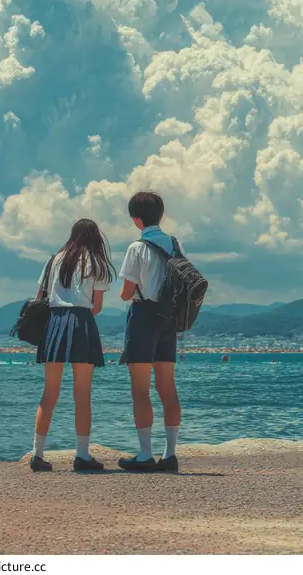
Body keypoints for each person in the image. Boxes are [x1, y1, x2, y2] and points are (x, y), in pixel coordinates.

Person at [31, 218, 115, 473]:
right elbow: (97, 306)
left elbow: (39, 298)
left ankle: (37, 454)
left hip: (55, 323)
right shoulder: (97, 262)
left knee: (50, 393)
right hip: (81, 323)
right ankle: (81, 455)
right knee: (82, 394)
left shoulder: (53, 260)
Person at [117, 191, 183, 474]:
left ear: (136, 219)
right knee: (167, 387)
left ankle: (145, 453)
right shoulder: (174, 244)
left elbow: (126, 293)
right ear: (161, 214)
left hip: (144, 317)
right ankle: (170, 454)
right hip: (168, 320)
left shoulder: (136, 248)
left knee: (140, 389)